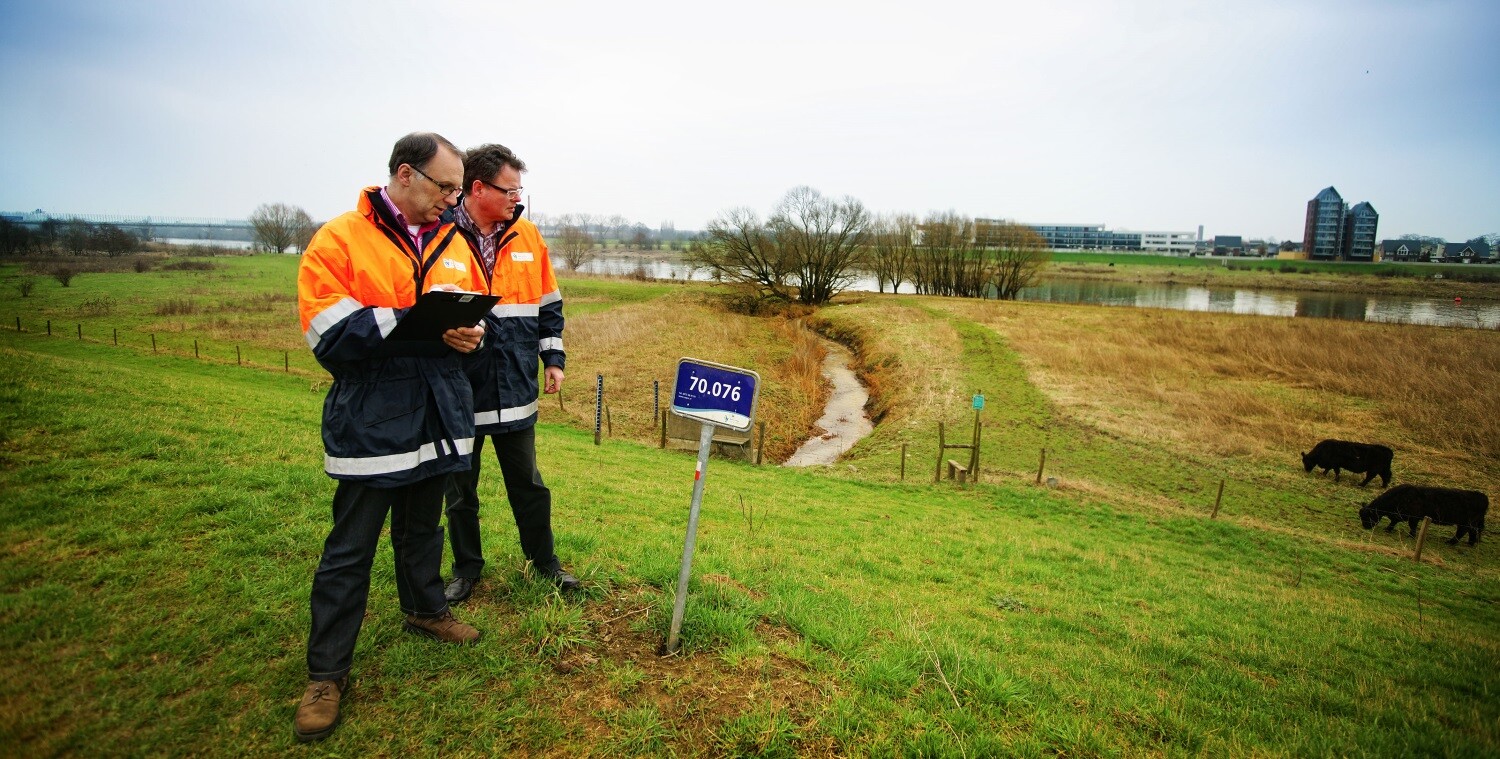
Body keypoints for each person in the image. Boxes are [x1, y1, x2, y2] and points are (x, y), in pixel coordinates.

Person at [293, 132, 490, 743]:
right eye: (445, 187)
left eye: (459, 189)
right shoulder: (338, 239)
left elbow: (463, 314)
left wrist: (464, 335)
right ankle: (326, 674)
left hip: (437, 410)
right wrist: (417, 325)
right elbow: (329, 333)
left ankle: (426, 609)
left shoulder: (456, 241)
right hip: (372, 415)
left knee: (422, 526)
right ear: (405, 176)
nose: (454, 200)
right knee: (350, 547)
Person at [441, 143, 578, 604]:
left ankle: (545, 564)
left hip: (516, 387)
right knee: (460, 490)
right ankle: (466, 569)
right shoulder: (437, 235)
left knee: (530, 485)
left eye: (520, 190)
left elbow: (549, 305)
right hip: (458, 389)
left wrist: (553, 359)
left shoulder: (530, 238)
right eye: (510, 189)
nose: (517, 198)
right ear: (477, 188)